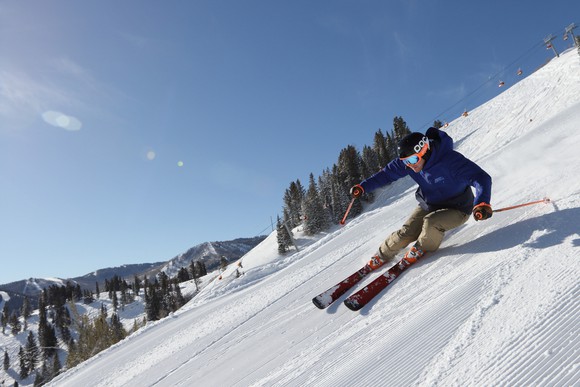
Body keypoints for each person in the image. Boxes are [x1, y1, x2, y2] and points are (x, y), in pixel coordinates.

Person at [350, 127, 492, 268]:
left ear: (424, 150)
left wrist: (482, 203)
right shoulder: (410, 163)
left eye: (412, 159)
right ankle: (380, 256)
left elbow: (481, 178)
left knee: (431, 223)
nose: (410, 165)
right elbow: (386, 174)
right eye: (406, 161)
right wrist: (363, 187)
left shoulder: (450, 160)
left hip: (458, 208)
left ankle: (421, 249)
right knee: (406, 233)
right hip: (430, 204)